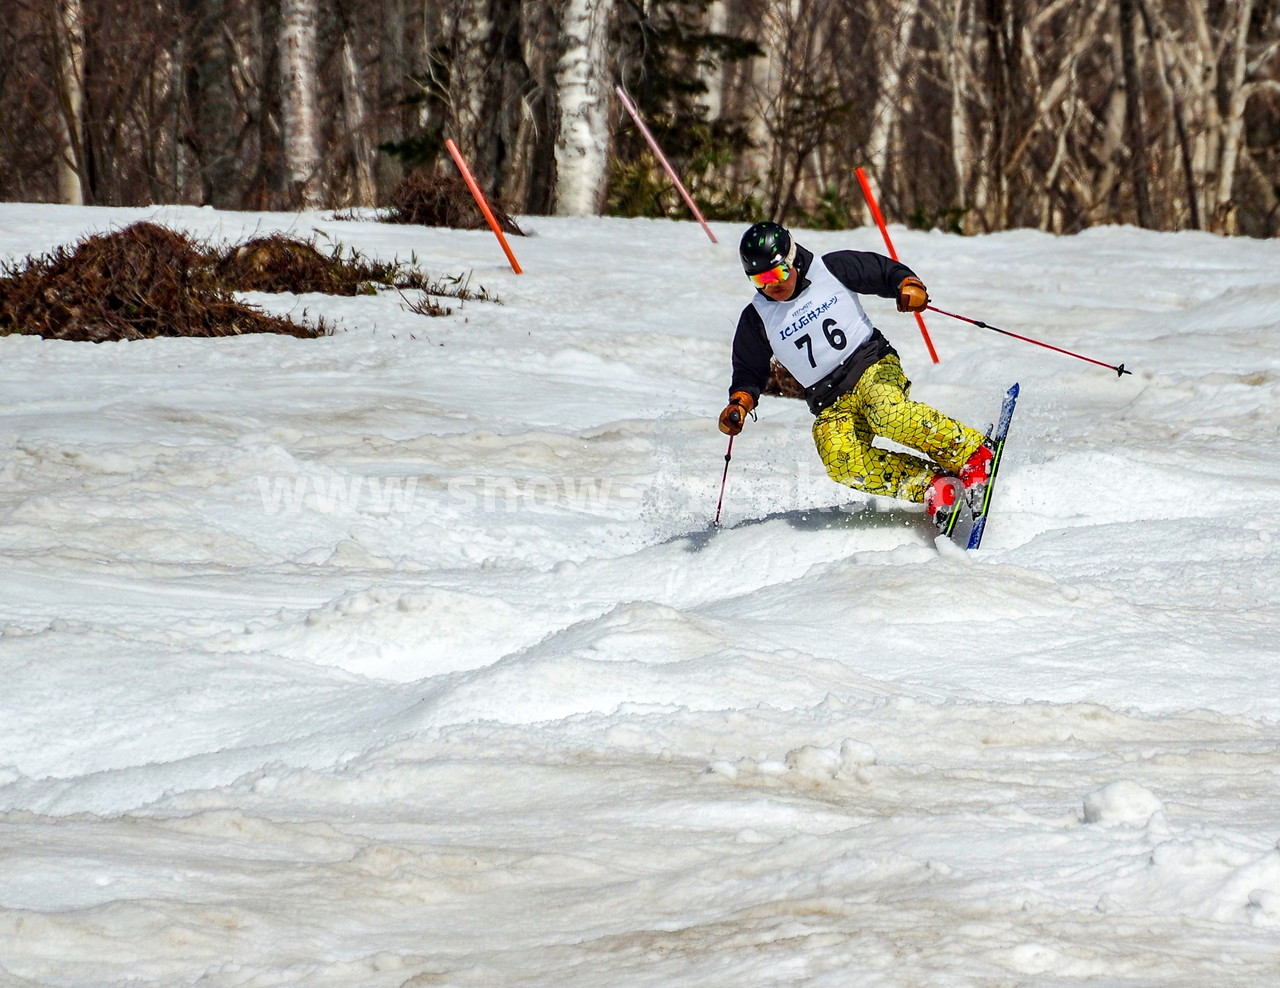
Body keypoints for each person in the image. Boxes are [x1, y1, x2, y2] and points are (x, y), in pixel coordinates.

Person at [718, 220, 992, 529]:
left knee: (886, 413)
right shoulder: (757, 318)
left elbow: (882, 271)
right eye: (761, 280)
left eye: (778, 272)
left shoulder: (831, 269)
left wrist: (906, 285)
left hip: (871, 365)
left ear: (793, 257)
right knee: (840, 459)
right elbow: (747, 371)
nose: (773, 285)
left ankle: (972, 452)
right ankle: (934, 485)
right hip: (829, 399)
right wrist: (739, 404)